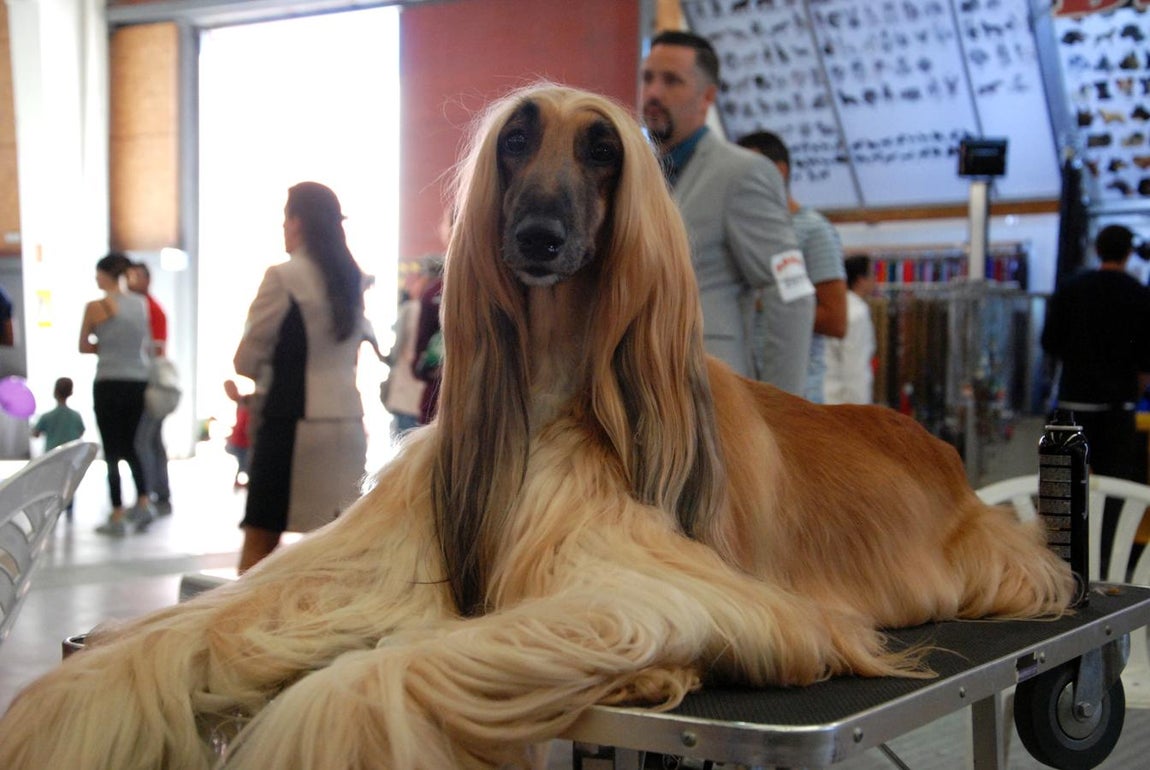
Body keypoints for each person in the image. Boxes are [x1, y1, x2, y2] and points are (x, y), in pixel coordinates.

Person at [641, 30, 814, 390]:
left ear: (707, 96)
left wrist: (779, 408)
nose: (653, 92)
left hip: (712, 388)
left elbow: (791, 294)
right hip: (639, 387)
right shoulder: (635, 175)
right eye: (648, 78)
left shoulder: (744, 173)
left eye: (671, 80)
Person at [233, 181, 371, 572]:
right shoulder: (352, 280)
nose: (283, 227)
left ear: (298, 221)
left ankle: (244, 613)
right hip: (348, 425)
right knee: (335, 545)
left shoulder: (283, 276)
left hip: (291, 423)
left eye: (285, 217)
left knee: (260, 537)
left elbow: (246, 359)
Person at [1042, 224, 1150, 575]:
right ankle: (1108, 561)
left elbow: (1049, 342)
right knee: (1117, 487)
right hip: (1120, 405)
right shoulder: (1139, 294)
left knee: (1063, 486)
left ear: (1096, 249)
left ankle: (1061, 560)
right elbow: (1146, 359)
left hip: (1074, 402)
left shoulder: (1072, 289)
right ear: (1128, 253)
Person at [736, 130, 848, 402]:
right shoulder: (744, 232)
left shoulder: (814, 230)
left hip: (797, 396)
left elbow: (836, 320)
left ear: (780, 171)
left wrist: (765, 303)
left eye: (749, 172)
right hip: (748, 389)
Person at [79, 252, 153, 535]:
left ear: (105, 275)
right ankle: (144, 501)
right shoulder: (140, 303)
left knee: (111, 449)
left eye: (97, 274)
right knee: (133, 444)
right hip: (137, 380)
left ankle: (117, 512)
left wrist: (107, 347)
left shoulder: (96, 306)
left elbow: (83, 345)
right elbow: (144, 342)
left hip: (109, 380)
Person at [128, 261, 173, 515]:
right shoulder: (141, 307)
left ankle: (148, 495)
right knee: (152, 441)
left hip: (151, 385)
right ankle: (159, 493)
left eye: (135, 277)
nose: (130, 282)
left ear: (147, 280)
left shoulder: (150, 309)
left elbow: (156, 349)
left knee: (143, 441)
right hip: (148, 383)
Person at [381, 256, 439, 436]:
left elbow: (398, 348)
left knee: (404, 442)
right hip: (432, 392)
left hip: (408, 389)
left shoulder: (414, 307)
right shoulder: (446, 304)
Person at [824, 256, 877, 405]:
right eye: (872, 274)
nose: (875, 279)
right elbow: (856, 369)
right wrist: (860, 412)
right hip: (841, 403)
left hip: (825, 397)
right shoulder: (857, 313)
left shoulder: (835, 307)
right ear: (860, 280)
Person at [223, 378, 251, 488]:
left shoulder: (245, 402)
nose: (229, 394)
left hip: (244, 439)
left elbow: (244, 423)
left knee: (243, 458)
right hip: (240, 439)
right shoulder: (240, 403)